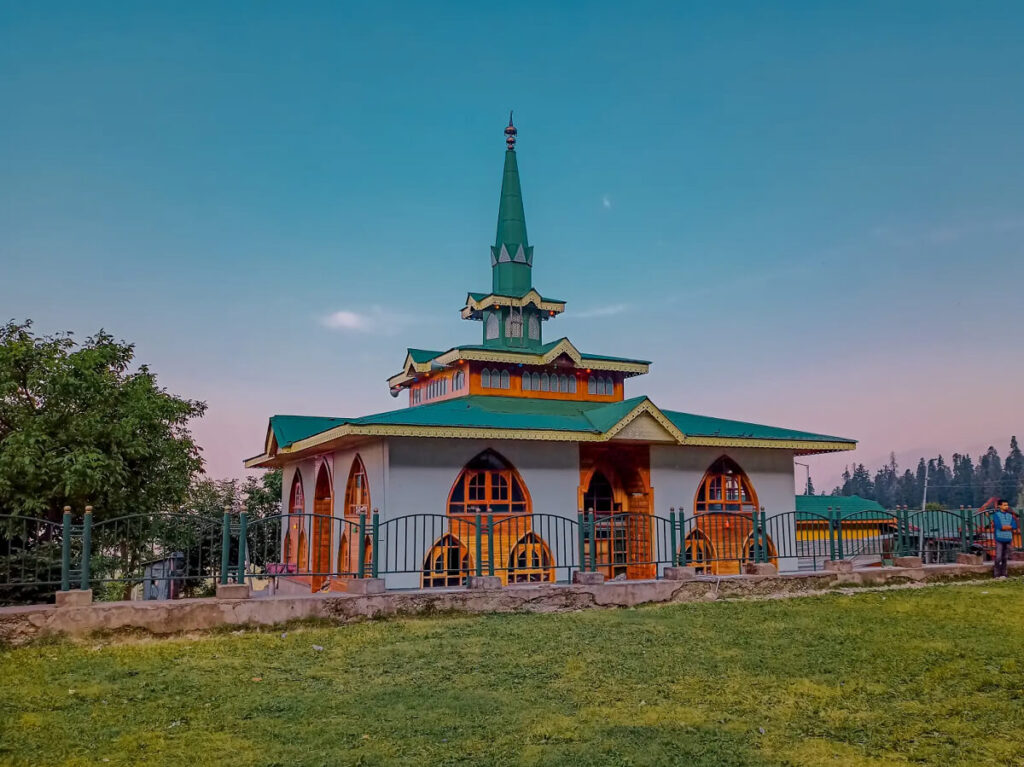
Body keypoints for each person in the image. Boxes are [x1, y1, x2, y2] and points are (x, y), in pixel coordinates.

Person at [991, 499, 1018, 579]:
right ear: (999, 506)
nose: (1006, 506)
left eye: (1007, 505)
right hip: (999, 538)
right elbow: (999, 526)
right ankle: (996, 574)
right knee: (998, 556)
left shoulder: (1010, 516)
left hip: (1008, 538)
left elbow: (1014, 526)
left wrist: (1006, 527)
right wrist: (1008, 527)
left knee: (1005, 557)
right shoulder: (996, 515)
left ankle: (1004, 573)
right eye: (1004, 505)